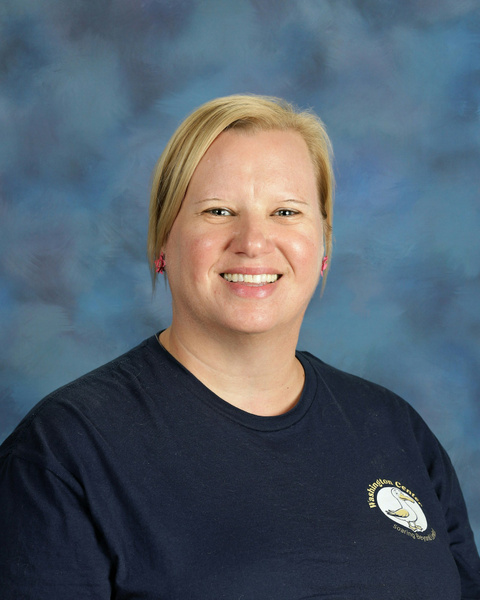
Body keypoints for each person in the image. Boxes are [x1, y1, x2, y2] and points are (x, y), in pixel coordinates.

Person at [0, 94, 479, 599]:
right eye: (219, 211)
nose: (253, 241)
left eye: (286, 211)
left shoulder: (396, 430)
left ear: (323, 246)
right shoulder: (64, 452)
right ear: (163, 242)